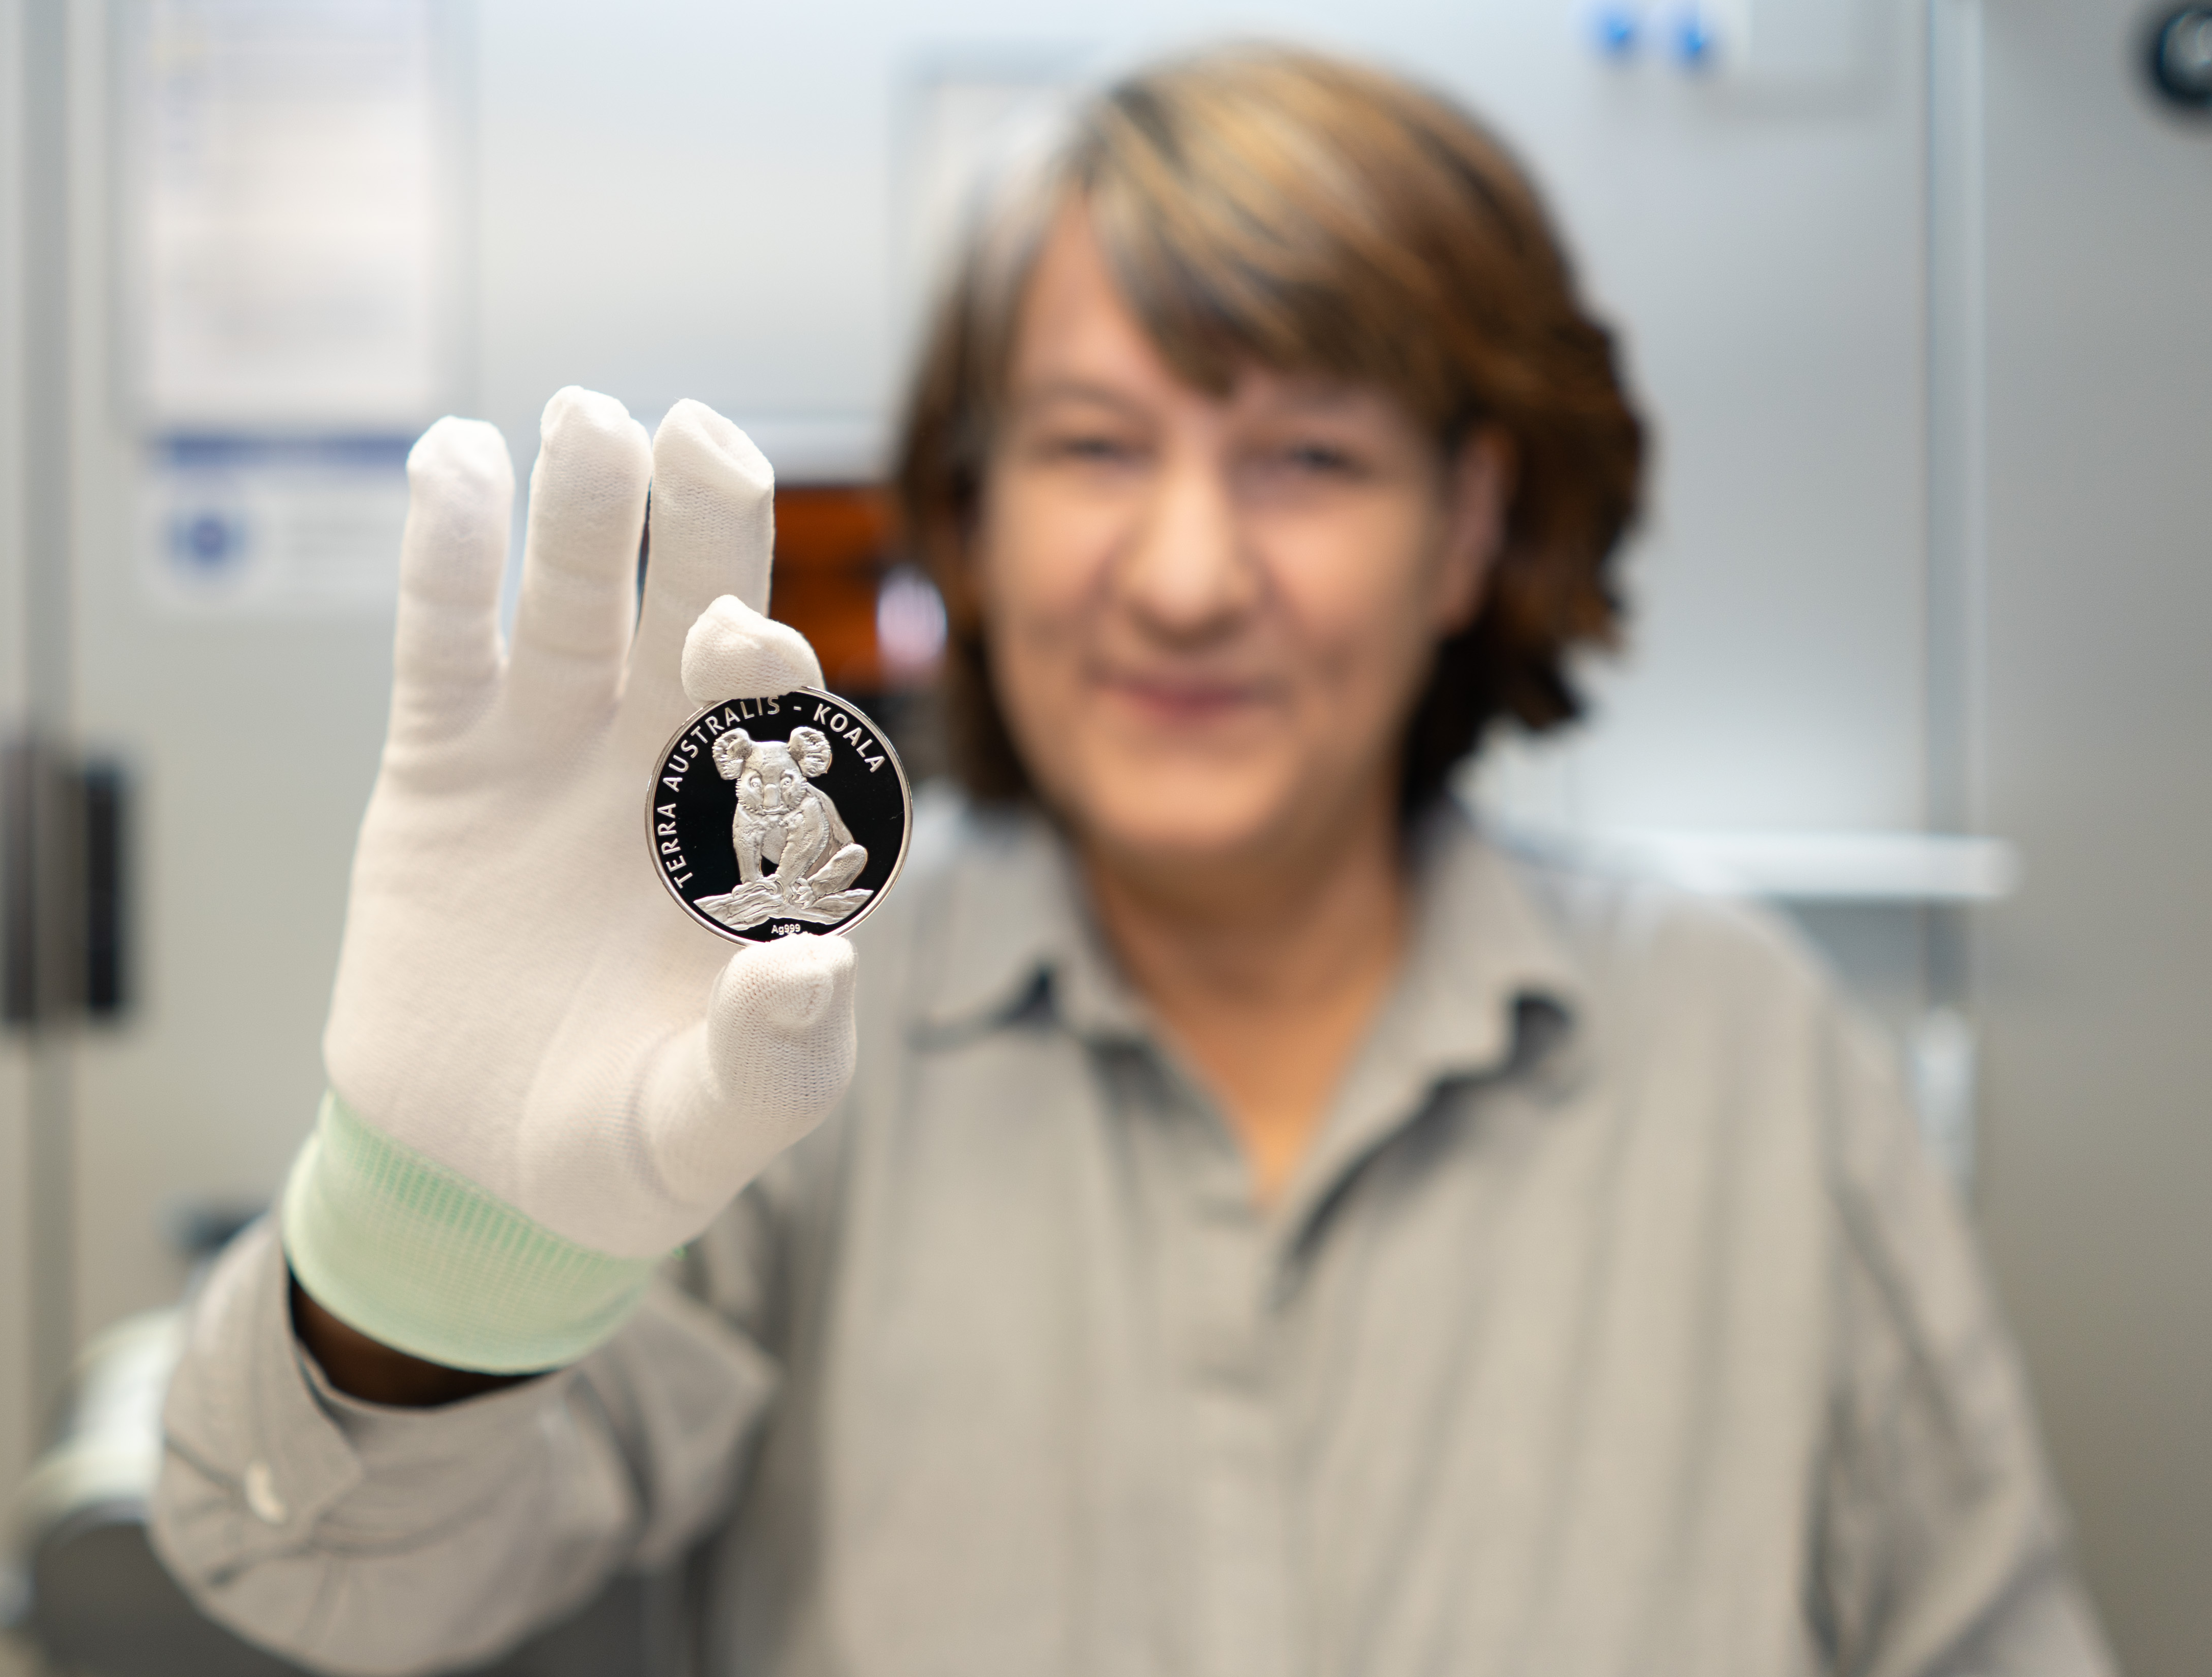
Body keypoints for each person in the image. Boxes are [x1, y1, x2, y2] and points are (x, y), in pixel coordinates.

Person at [149, 46, 2114, 1677]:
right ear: (976, 517)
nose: (1183, 578)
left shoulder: (1745, 1046)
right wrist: (424, 1261)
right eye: (1093, 446)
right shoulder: (772, 1039)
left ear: (1466, 527)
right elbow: (331, 1578)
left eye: (1310, 458)